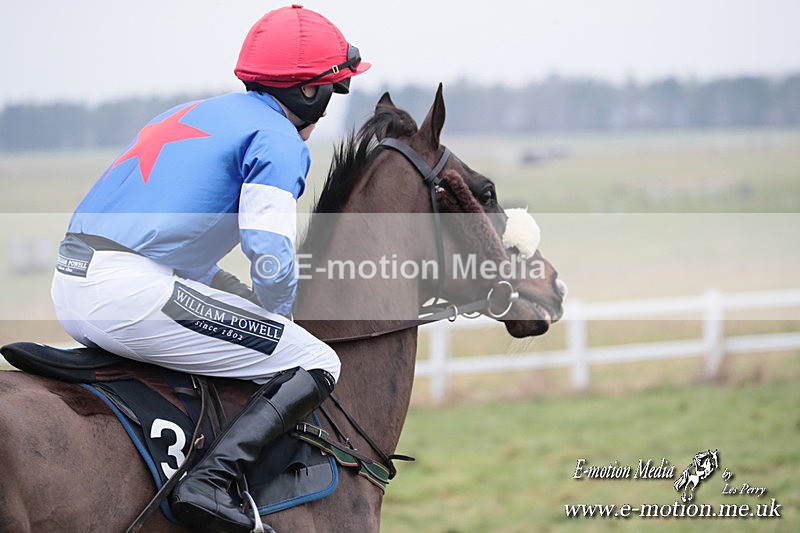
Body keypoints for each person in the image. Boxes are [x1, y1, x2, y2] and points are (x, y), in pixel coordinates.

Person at [50, 5, 370, 531]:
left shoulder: (194, 113)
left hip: (75, 282)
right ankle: (210, 483)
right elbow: (268, 251)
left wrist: (244, 302)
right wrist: (280, 319)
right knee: (315, 361)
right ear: (309, 92)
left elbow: (180, 254)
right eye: (333, 92)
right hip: (128, 293)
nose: (328, 106)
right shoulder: (279, 139)